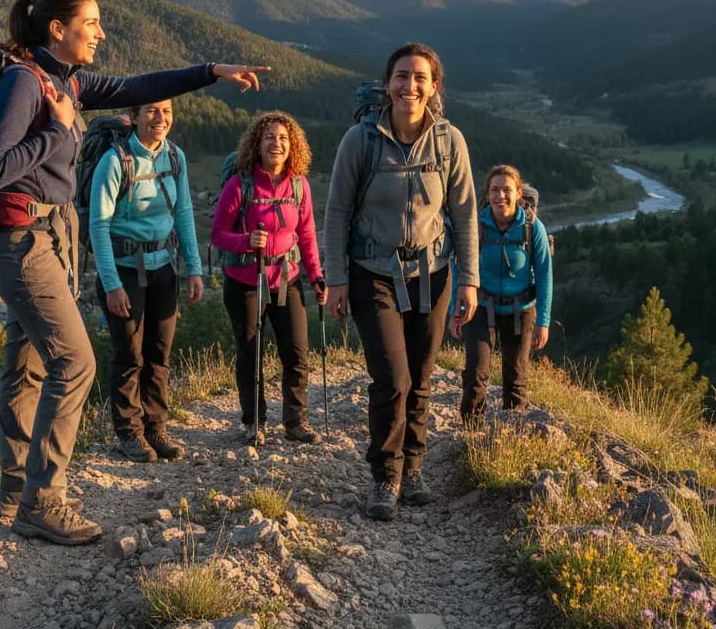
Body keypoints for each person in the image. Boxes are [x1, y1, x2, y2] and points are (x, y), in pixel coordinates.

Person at [0, 0, 268, 545]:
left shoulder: (68, 81)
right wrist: (60, 130)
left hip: (52, 229)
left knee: (28, 361)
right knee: (76, 362)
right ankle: (42, 501)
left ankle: (16, 488)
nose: (102, 32)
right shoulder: (23, 82)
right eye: (92, 22)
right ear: (58, 29)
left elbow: (141, 87)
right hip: (22, 237)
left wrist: (212, 70)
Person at [324, 43, 479, 521]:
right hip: (374, 273)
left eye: (419, 78)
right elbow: (336, 212)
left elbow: (465, 213)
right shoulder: (360, 140)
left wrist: (468, 280)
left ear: (433, 87)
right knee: (392, 377)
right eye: (401, 76)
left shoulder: (450, 142)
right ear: (387, 83)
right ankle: (384, 476)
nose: (409, 86)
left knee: (422, 376)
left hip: (433, 274)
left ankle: (414, 468)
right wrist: (336, 279)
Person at [88, 99, 201, 463]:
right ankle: (129, 432)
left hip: (164, 267)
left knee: (159, 352)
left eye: (167, 111)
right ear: (134, 117)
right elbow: (99, 226)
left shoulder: (176, 156)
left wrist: (194, 267)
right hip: (123, 270)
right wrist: (111, 284)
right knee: (129, 354)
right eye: (152, 110)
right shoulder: (115, 160)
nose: (160, 118)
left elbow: (183, 212)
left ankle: (156, 427)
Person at [211, 111, 326, 445]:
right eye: (270, 138)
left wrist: (316, 276)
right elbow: (218, 234)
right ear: (257, 146)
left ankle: (295, 421)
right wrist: (245, 241)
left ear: (293, 147)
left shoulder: (299, 186)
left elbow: (307, 236)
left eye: (283, 139)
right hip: (245, 280)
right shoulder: (240, 185)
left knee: (296, 350)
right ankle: (253, 421)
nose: (277, 144)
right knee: (250, 352)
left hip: (286, 280)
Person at [454, 163, 553, 424]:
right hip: (479, 307)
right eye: (495, 190)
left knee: (516, 376)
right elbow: (461, 267)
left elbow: (544, 275)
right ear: (487, 194)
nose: (500, 196)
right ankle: (471, 433)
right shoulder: (476, 227)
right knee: (476, 372)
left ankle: (511, 432)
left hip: (520, 311)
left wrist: (543, 321)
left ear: (519, 193)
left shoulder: (533, 228)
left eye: (507, 190)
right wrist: (458, 310)